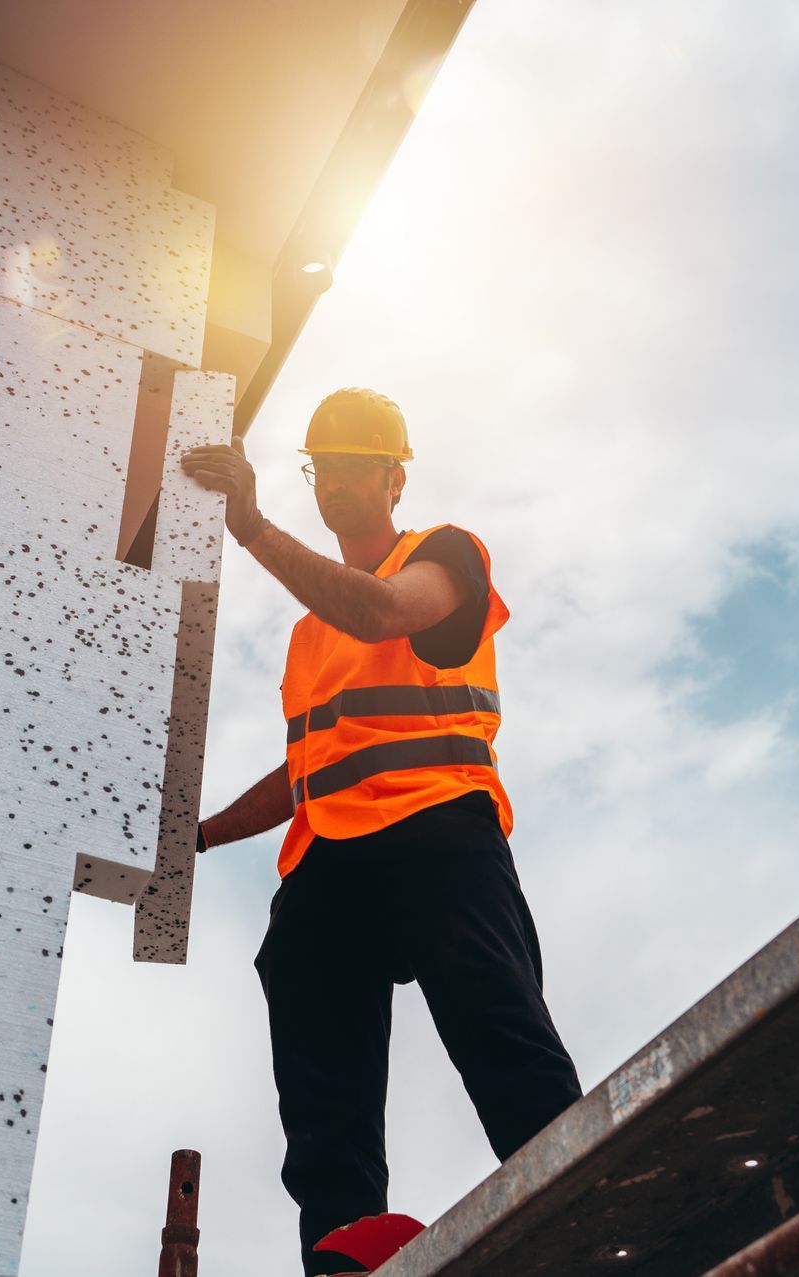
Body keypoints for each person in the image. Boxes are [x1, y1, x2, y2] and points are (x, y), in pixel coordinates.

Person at [181, 388, 582, 1276]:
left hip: (439, 835)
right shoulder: (304, 633)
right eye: (322, 465)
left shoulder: (445, 555)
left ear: (396, 477)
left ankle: (580, 1205)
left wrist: (249, 524)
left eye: (356, 464)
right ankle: (341, 1254)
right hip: (329, 859)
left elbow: (383, 613)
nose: (335, 481)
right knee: (324, 1102)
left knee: (501, 1036)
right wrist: (195, 838)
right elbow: (307, 768)